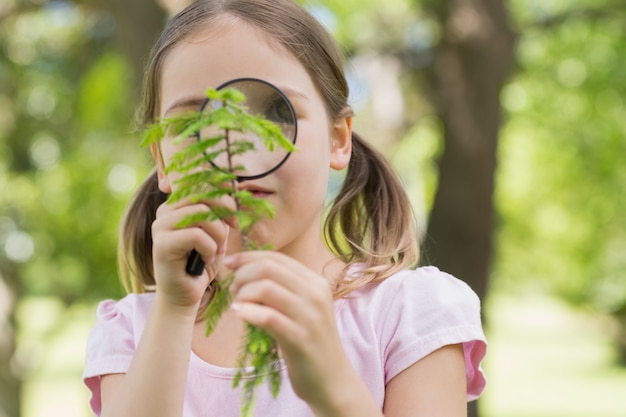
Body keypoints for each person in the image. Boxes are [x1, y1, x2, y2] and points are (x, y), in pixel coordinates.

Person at [83, 1, 487, 416]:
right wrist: (173, 310)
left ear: (338, 140)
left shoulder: (408, 316)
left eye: (277, 113)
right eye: (195, 126)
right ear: (163, 162)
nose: (238, 153)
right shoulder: (133, 333)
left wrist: (335, 388)